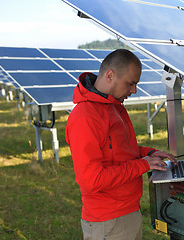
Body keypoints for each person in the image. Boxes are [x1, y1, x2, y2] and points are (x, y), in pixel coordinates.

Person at [65, 49, 177, 240]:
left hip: (126, 211)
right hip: (108, 221)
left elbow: (123, 151)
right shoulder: (86, 117)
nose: (134, 90)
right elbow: (92, 180)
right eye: (131, 83)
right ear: (110, 75)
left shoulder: (112, 106)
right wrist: (144, 164)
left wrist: (151, 154)